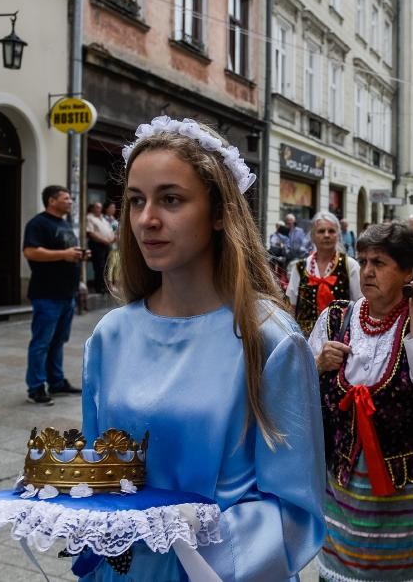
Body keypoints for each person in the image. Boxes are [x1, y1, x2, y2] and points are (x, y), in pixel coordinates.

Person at [75, 116, 324, 580]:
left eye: (170, 199)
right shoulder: (110, 336)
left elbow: (294, 505)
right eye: (135, 201)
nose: (147, 219)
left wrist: (192, 533)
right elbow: (100, 466)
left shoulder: (269, 338)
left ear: (217, 213)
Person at [309, 222, 413, 581]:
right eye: (363, 261)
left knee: (411, 563)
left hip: (411, 484)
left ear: (409, 271)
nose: (366, 271)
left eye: (379, 263)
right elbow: (298, 386)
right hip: (349, 479)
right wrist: (317, 364)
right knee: (352, 560)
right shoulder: (335, 317)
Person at [22, 185, 88, 405]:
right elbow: (30, 251)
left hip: (66, 293)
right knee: (41, 342)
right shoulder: (38, 224)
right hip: (46, 293)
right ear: (52, 201)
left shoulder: (65, 224)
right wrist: (64, 254)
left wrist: (79, 256)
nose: (70, 201)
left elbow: (67, 253)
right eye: (66, 198)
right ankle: (36, 387)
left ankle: (57, 382)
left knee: (58, 341)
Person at [286, 211, 362, 336]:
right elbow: (291, 306)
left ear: (338, 235)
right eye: (321, 231)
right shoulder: (300, 267)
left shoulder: (350, 265)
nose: (326, 235)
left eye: (331, 231)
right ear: (313, 236)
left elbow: (360, 305)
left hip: (340, 339)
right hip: (306, 339)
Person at [85, 201, 116, 294]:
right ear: (92, 208)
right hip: (97, 245)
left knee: (107, 266)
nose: (100, 209)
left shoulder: (102, 217)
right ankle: (99, 287)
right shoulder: (89, 217)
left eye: (100, 207)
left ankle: (106, 286)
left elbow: (110, 229)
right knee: (99, 266)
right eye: (97, 207)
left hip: (106, 244)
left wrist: (111, 238)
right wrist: (104, 240)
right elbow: (91, 233)